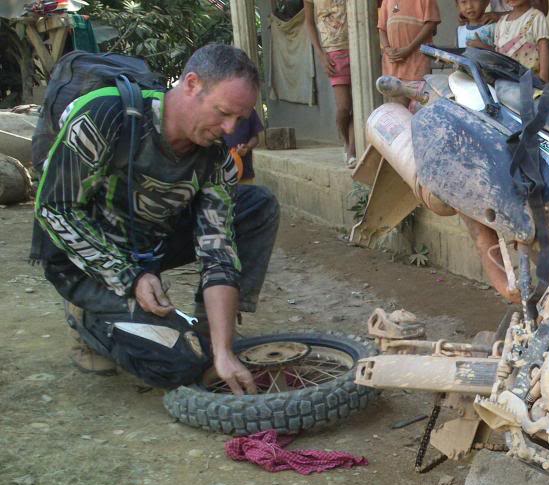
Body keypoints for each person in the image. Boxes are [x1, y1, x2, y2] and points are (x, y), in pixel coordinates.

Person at [34, 43, 280, 395]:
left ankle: (206, 329)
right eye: (223, 112)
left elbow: (218, 252)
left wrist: (223, 349)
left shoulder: (217, 159)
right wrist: (129, 277)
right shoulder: (106, 114)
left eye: (239, 120)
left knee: (257, 204)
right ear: (192, 84)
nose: (229, 129)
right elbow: (55, 209)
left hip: (148, 243)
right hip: (82, 258)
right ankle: (87, 319)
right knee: (179, 365)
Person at [304, 0, 356, 165]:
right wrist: (321, 54)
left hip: (357, 45)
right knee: (344, 107)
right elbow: (309, 23)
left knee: (359, 105)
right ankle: (346, 141)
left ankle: (352, 149)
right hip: (333, 52)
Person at [378, 0, 441, 90]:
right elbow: (382, 29)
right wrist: (387, 49)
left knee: (416, 96)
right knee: (395, 97)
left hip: (417, 63)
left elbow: (431, 25)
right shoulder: (387, 1)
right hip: (392, 64)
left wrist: (409, 48)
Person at [494, 0, 549, 82]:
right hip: (504, 81)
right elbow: (497, 52)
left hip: (529, 82)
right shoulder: (501, 21)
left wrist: (543, 77)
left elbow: (543, 47)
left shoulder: (536, 17)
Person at [224, 107, 265, 183]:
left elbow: (255, 137)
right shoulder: (219, 109)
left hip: (244, 171)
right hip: (221, 173)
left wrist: (247, 147)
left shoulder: (248, 109)